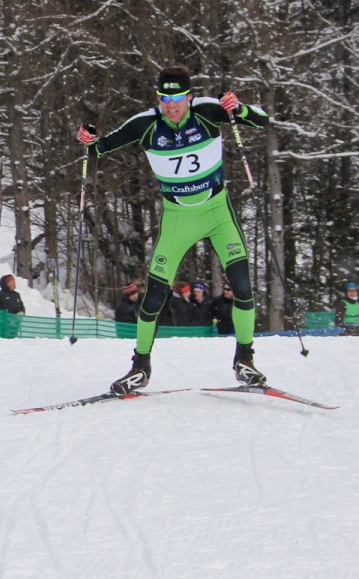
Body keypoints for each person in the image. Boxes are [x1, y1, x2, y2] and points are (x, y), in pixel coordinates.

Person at [77, 65, 269, 393]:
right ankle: (140, 367)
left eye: (177, 98)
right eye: (164, 98)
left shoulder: (207, 111)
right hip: (178, 217)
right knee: (153, 295)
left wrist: (239, 108)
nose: (171, 105)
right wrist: (88, 139)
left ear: (189, 97)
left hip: (217, 211)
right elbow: (99, 148)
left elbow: (261, 120)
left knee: (242, 286)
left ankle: (244, 359)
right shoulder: (146, 124)